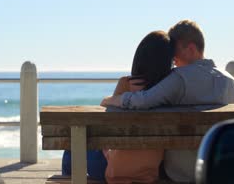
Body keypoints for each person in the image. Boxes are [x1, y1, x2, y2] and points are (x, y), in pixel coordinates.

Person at [101, 19, 234, 183]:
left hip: (182, 172)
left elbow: (143, 101)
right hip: (220, 170)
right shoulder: (230, 81)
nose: (172, 61)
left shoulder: (179, 78)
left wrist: (111, 99)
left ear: (190, 49)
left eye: (174, 55)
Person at [62, 30, 174, 183]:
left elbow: (105, 122)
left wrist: (109, 99)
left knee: (71, 148)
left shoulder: (125, 84)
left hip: (112, 169)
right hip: (149, 173)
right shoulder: (170, 91)